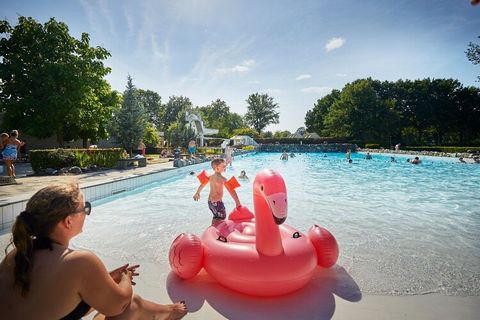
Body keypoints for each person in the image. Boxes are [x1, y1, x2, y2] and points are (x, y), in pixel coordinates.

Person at [0, 182, 187, 320]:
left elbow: (59, 303)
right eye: (85, 208)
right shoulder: (79, 261)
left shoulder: (17, 255)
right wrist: (125, 279)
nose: (87, 213)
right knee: (130, 306)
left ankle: (167, 311)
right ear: (68, 221)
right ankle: (169, 313)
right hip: (121, 302)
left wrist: (104, 278)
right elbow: (119, 304)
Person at [193, 158, 241, 225]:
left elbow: (202, 184)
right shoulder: (223, 179)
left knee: (216, 216)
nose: (225, 167)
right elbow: (232, 191)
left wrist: (197, 193)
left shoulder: (210, 177)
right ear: (217, 168)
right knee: (222, 217)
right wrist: (237, 202)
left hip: (210, 202)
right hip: (217, 203)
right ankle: (217, 231)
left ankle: (212, 228)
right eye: (224, 166)